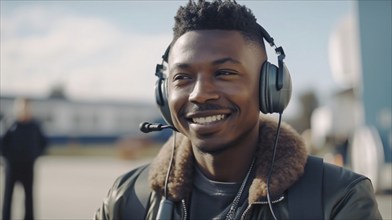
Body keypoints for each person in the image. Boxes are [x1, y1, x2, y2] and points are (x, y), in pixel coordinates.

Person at [95, 1, 381, 219]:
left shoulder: (337, 198)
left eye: (225, 73)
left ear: (270, 87)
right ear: (163, 93)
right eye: (182, 78)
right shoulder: (128, 198)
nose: (200, 94)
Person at [1, 98, 48, 220]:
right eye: (22, 106)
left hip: (28, 166)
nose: (24, 109)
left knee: (29, 197)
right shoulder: (11, 123)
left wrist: (35, 154)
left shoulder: (34, 125)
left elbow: (44, 143)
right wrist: (7, 157)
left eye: (27, 106)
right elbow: (2, 143)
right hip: (12, 166)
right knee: (8, 197)